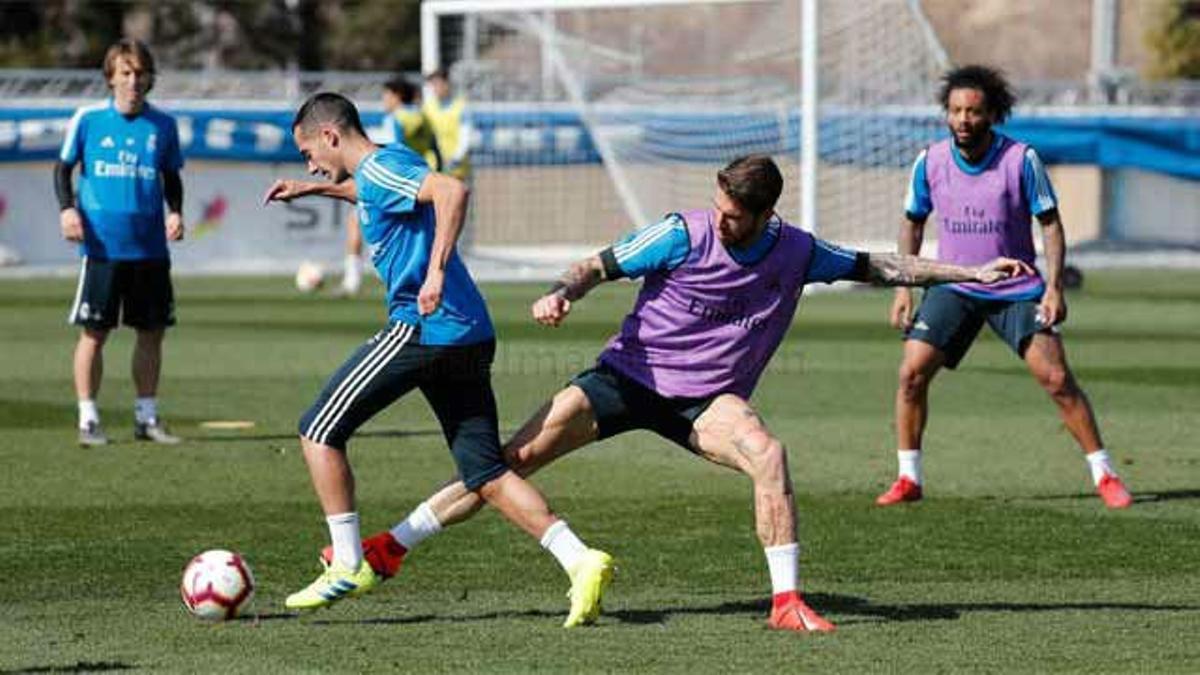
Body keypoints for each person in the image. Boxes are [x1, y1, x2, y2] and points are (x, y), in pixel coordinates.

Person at [317, 154, 1032, 632]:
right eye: (716, 204)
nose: (718, 218)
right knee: (508, 463)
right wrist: (562, 293)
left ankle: (785, 600)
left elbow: (878, 264)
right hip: (625, 378)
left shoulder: (795, 248)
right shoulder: (679, 233)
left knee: (769, 454)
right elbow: (594, 264)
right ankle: (389, 545)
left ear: (760, 215)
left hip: (705, 399)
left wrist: (969, 271)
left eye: (731, 213)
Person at [262, 93, 613, 627]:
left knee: (317, 430)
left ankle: (350, 563)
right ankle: (580, 560)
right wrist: (316, 188)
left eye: (309, 153)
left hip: (423, 328)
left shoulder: (381, 168)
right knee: (486, 472)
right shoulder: (386, 165)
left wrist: (435, 271)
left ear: (330, 135)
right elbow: (377, 195)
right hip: (469, 332)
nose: (309, 163)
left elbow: (452, 190)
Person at [876, 65, 1133, 509]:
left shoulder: (1020, 160)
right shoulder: (930, 161)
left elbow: (1050, 225)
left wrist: (1053, 288)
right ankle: (908, 479)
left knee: (1055, 378)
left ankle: (1105, 473)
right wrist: (904, 289)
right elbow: (912, 223)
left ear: (992, 115)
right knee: (911, 374)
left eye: (973, 111)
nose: (962, 119)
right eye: (955, 110)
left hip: (1015, 287)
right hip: (954, 284)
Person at [54, 38, 185, 447]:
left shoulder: (163, 125)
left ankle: (146, 417)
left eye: (140, 73)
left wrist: (176, 211)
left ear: (150, 78)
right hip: (102, 249)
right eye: (125, 72)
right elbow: (63, 170)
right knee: (95, 333)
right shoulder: (88, 120)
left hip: (149, 248)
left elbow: (171, 176)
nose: (133, 80)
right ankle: (88, 418)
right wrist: (67, 209)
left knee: (152, 332)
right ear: (111, 77)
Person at [340, 78, 442, 296]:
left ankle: (353, 279)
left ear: (396, 95)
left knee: (356, 221)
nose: (384, 100)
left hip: (396, 181)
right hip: (424, 179)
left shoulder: (395, 119)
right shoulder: (423, 116)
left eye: (386, 95)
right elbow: (436, 148)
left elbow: (394, 150)